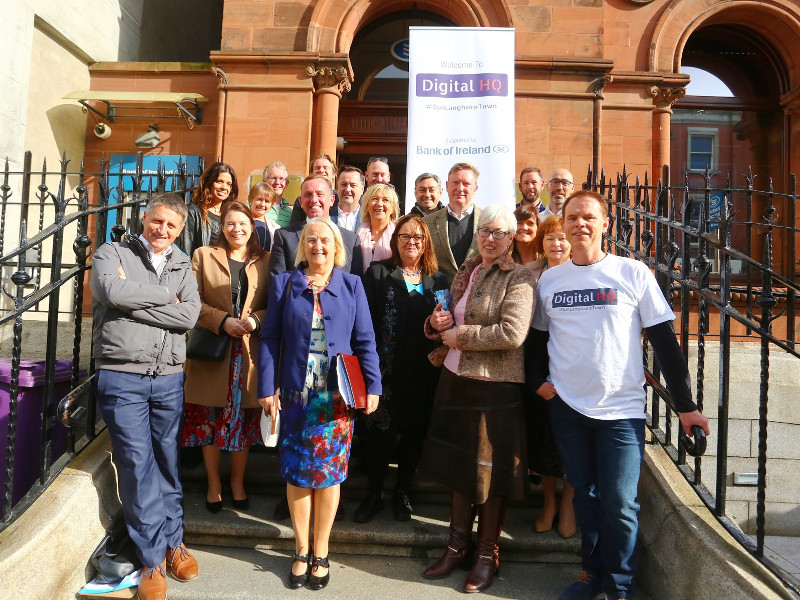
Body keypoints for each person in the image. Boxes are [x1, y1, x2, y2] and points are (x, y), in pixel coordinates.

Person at [528, 190, 710, 600]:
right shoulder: (552, 280)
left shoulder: (632, 273)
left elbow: (664, 341)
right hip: (568, 406)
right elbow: (538, 339)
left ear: (604, 224)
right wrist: (538, 383)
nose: (579, 224)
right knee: (587, 497)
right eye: (572, 218)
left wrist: (686, 407)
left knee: (621, 503)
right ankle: (592, 575)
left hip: (621, 409)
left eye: (588, 217)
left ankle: (620, 586)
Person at [257, 218, 381, 590]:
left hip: (335, 398)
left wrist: (372, 387)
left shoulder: (352, 284)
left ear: (336, 247)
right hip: (296, 396)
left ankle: (321, 551)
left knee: (327, 477)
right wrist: (267, 385)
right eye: (311, 240)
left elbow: (366, 340)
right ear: (303, 246)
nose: (318, 246)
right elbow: (269, 338)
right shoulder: (284, 284)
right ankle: (299, 549)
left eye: (325, 240)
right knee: (297, 473)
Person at [90, 193, 201, 600]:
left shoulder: (182, 262)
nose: (163, 231)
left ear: (179, 229)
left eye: (171, 226)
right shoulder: (111, 251)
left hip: (169, 377)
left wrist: (133, 298)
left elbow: (189, 315)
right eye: (157, 222)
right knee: (137, 466)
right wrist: (164, 298)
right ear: (144, 219)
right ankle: (151, 558)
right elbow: (108, 291)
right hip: (123, 376)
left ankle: (175, 542)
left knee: (167, 462)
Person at [421, 204, 536, 593]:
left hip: (494, 388)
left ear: (510, 239)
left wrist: (462, 336)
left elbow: (512, 333)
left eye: (499, 233)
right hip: (455, 380)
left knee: (490, 475)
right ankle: (455, 547)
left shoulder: (518, 277)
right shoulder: (467, 270)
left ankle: (486, 554)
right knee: (459, 467)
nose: (490, 238)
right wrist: (436, 324)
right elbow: (450, 316)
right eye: (485, 230)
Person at [356, 215, 450, 523]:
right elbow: (364, 323)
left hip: (423, 373)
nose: (412, 242)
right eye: (405, 236)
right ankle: (374, 494)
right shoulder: (379, 272)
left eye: (418, 237)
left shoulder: (439, 280)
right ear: (396, 240)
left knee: (413, 434)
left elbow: (447, 321)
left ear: (426, 243)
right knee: (379, 436)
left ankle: (402, 492)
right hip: (384, 373)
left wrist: (441, 325)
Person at [182, 201, 270, 514]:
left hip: (248, 354)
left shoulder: (266, 260)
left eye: (242, 223)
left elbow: (275, 304)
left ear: (252, 227)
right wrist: (222, 321)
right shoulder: (203, 255)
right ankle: (213, 484)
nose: (236, 229)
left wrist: (255, 319)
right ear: (223, 226)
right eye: (230, 223)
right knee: (208, 422)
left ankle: (236, 481)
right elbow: (190, 301)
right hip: (213, 351)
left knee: (244, 423)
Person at [517, 212, 577, 538]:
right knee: (544, 442)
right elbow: (535, 339)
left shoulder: (581, 274)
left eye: (562, 237)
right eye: (551, 237)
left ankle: (568, 503)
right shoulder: (532, 275)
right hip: (542, 374)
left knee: (571, 445)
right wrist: (536, 380)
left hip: (575, 376)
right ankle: (549, 502)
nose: (557, 243)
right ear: (542, 242)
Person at [270, 175, 363, 277]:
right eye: (308, 195)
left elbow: (356, 287)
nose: (314, 199)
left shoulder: (351, 240)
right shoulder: (284, 237)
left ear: (332, 200)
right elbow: (277, 284)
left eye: (320, 194)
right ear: (301, 202)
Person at [425, 162, 482, 284]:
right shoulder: (427, 223)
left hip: (476, 296)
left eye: (466, 184)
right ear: (446, 186)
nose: (460, 188)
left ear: (475, 188)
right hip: (439, 297)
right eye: (455, 183)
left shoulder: (488, 221)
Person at [177, 162, 238, 256]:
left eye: (229, 184)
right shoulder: (193, 212)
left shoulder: (231, 214)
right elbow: (186, 250)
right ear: (209, 182)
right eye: (219, 181)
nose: (224, 187)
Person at [355, 183, 399, 274]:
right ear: (367, 205)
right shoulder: (357, 234)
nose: (379, 204)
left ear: (392, 208)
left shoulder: (399, 235)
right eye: (374, 199)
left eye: (385, 200)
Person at [290, 153, 338, 225]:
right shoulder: (301, 201)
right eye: (317, 168)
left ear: (333, 174)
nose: (321, 170)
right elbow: (295, 229)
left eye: (325, 168)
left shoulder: (340, 199)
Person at [248, 181, 280, 251]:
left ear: (271, 205)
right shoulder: (241, 221)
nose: (262, 204)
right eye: (259, 199)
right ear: (251, 199)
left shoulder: (275, 228)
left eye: (267, 201)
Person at [334, 165, 365, 232]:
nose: (348, 189)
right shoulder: (327, 215)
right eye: (343, 184)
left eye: (353, 185)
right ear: (337, 187)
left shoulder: (368, 218)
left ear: (362, 189)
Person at [263, 161, 293, 227]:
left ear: (286, 183)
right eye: (273, 178)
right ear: (264, 182)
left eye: (281, 178)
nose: (277, 182)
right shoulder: (255, 207)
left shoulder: (291, 213)